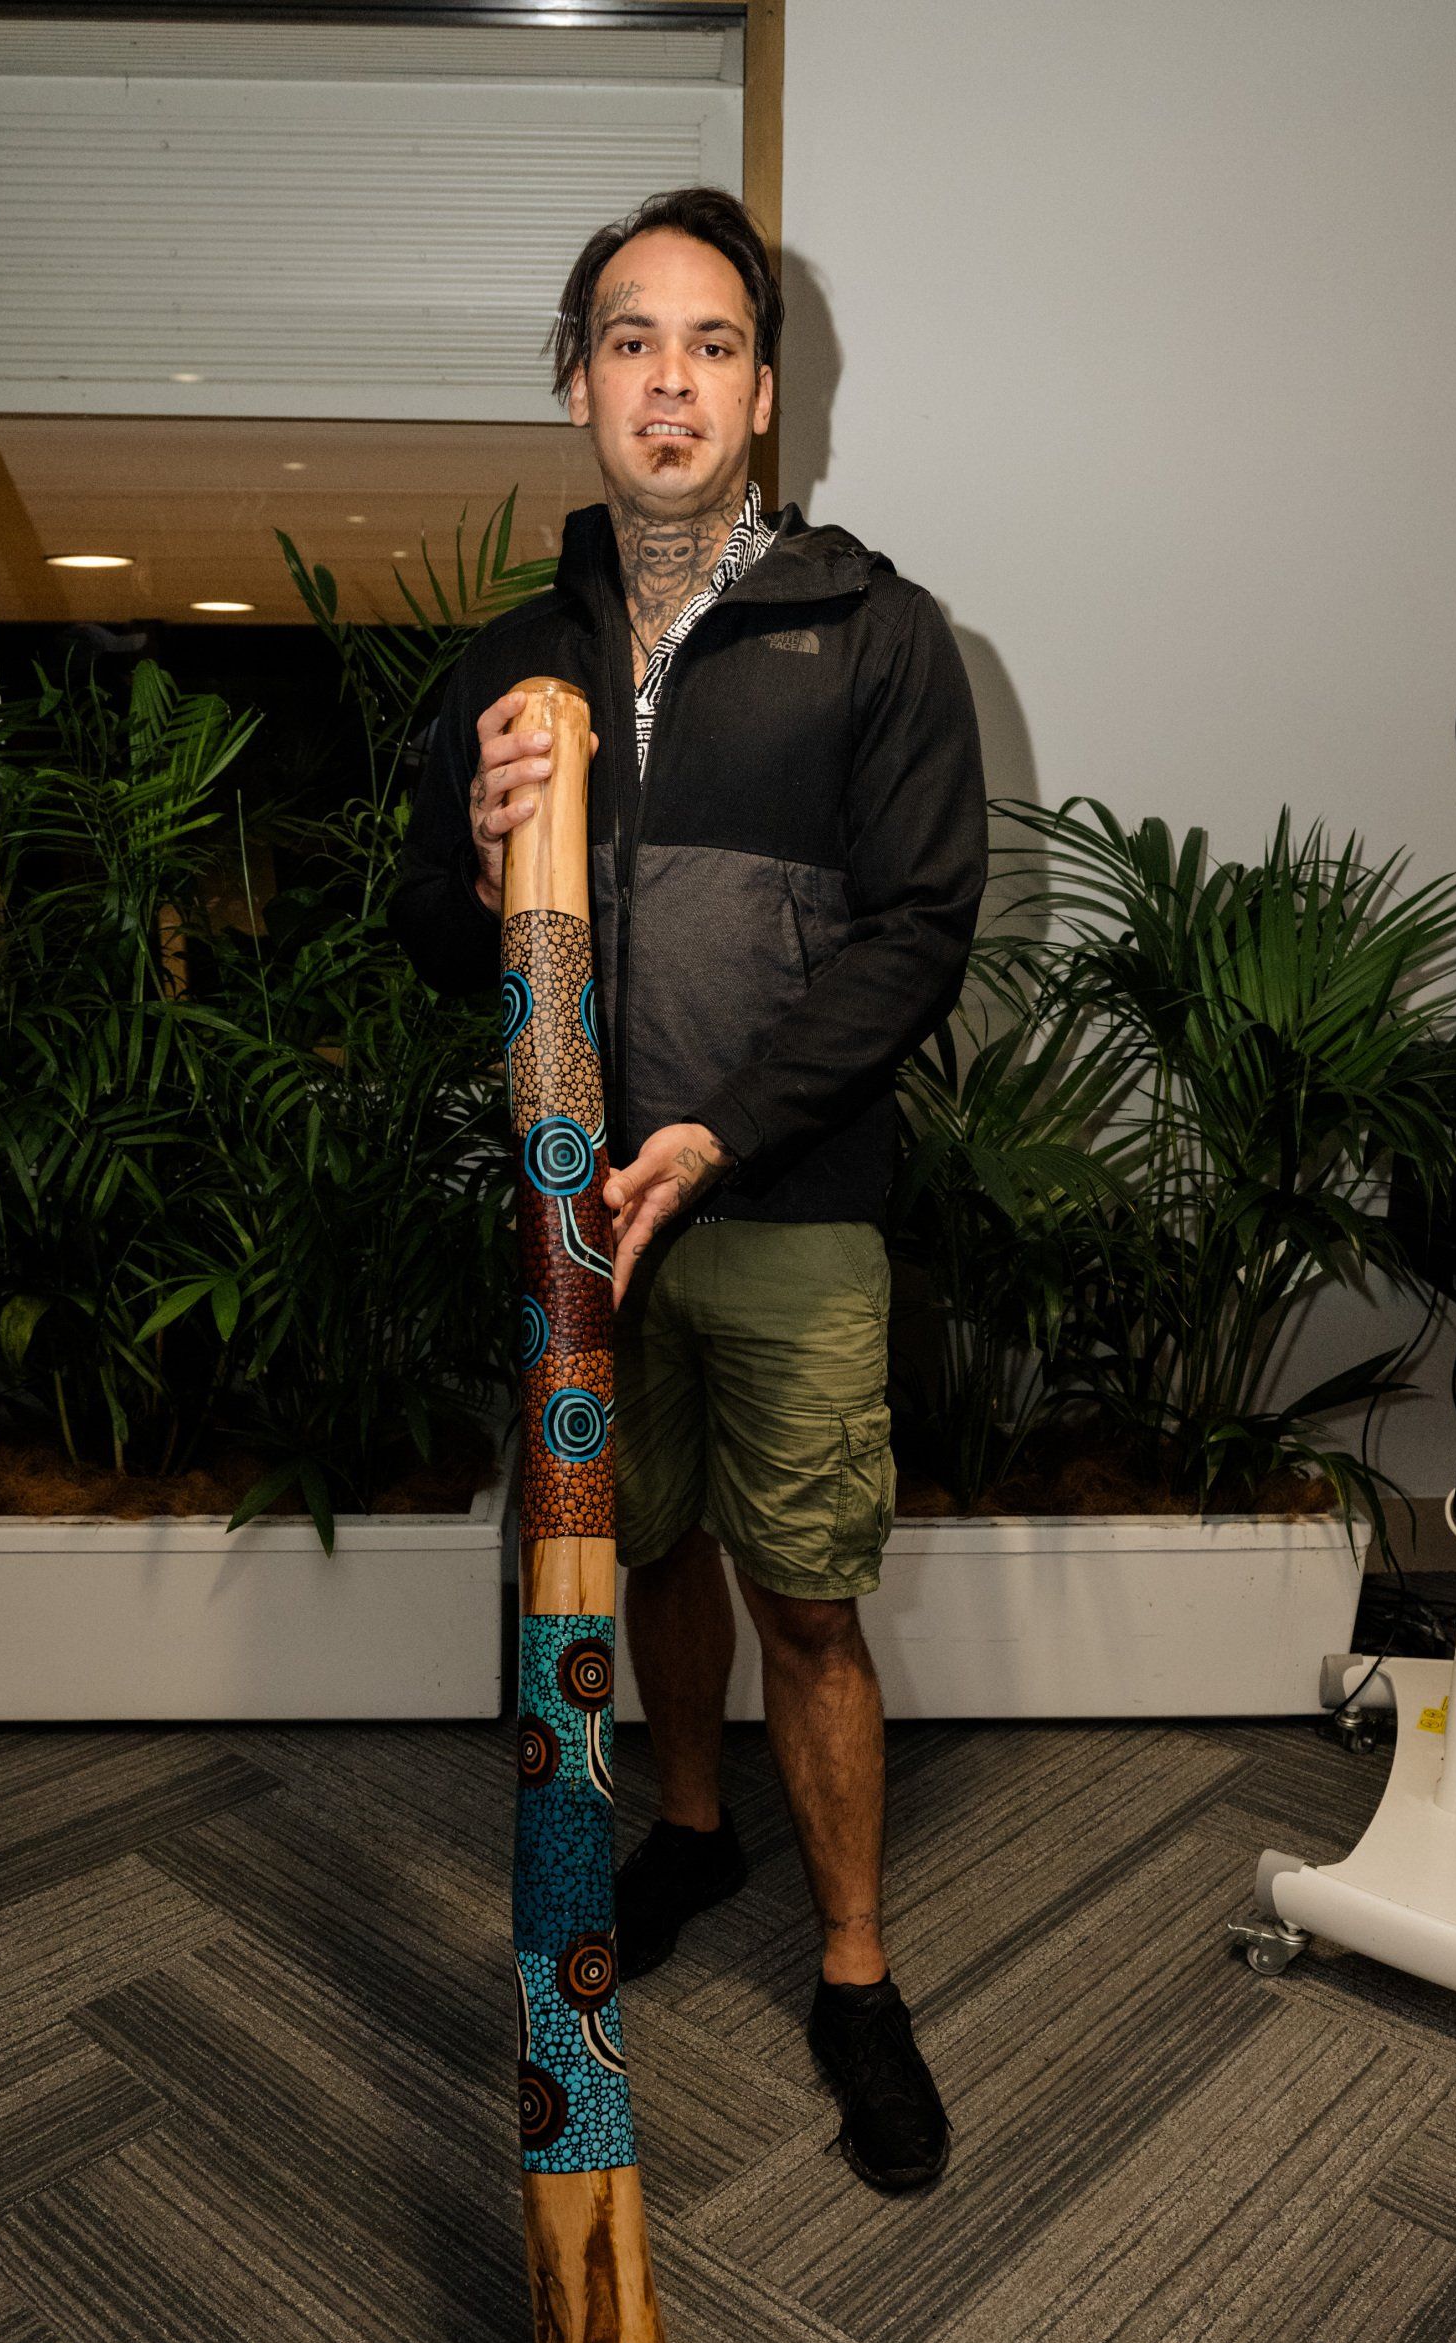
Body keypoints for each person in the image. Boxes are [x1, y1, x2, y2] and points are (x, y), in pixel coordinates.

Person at [396, 186, 986, 2191]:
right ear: (580, 383)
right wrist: (476, 866)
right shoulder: (506, 659)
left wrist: (720, 1128)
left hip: (789, 1202)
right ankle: (699, 1829)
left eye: (713, 343)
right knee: (648, 1556)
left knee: (805, 1596)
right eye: (630, 339)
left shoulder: (874, 636)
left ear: (763, 392)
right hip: (582, 1230)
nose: (670, 378)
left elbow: (921, 933)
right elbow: (420, 937)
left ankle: (852, 1966)